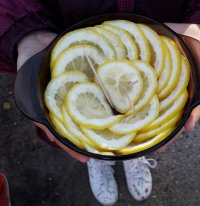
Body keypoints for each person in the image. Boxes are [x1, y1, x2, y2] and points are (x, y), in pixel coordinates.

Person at [0, 1, 200, 205]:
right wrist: (27, 32)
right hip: (66, 27)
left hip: (163, 25)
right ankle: (98, 153)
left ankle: (132, 150)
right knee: (85, 136)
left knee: (138, 136)